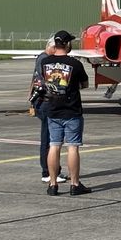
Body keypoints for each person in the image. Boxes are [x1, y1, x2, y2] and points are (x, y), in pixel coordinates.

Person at [42, 30, 92, 196]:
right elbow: (85, 84)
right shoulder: (75, 64)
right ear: (67, 44)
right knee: (73, 147)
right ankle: (74, 184)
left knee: (54, 145)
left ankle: (53, 184)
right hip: (72, 110)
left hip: (53, 110)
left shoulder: (45, 62)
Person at [31, 36, 66, 184]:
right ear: (52, 47)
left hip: (42, 102)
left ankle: (53, 170)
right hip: (45, 103)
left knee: (51, 139)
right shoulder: (45, 60)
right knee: (48, 139)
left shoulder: (42, 57)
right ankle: (47, 172)